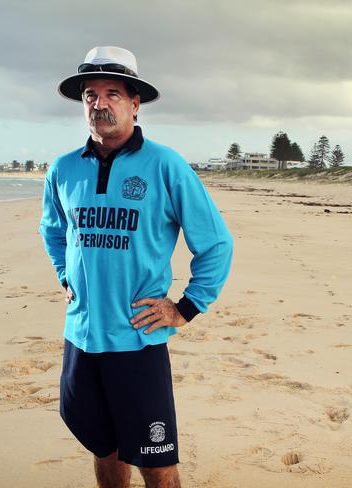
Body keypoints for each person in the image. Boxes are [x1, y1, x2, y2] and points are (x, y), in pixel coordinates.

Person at [40, 46, 233, 488]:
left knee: (156, 465)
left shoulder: (165, 164)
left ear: (134, 103)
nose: (99, 103)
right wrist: (65, 274)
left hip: (137, 341)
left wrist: (186, 308)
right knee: (103, 449)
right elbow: (53, 230)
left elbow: (216, 242)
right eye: (90, 94)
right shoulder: (64, 169)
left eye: (112, 93)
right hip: (81, 338)